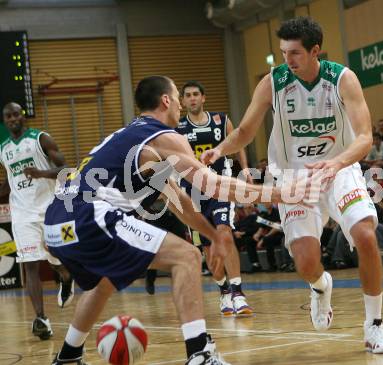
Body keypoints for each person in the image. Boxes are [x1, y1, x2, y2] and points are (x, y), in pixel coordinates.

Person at [45, 75, 298, 365]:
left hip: (56, 224)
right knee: (187, 256)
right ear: (166, 100)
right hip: (90, 215)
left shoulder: (135, 140)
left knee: (104, 282)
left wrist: (215, 237)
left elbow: (182, 204)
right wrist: (280, 194)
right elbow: (213, 186)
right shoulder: (164, 137)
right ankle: (200, 353)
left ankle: (68, 357)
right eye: (177, 97)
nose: (179, 104)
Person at [201, 16, 383, 353]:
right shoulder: (273, 82)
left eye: (294, 53)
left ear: (314, 50)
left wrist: (336, 162)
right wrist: (220, 149)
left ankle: (374, 326)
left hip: (339, 168)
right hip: (292, 178)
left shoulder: (342, 79)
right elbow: (245, 131)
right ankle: (321, 287)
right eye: (283, 52)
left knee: (365, 234)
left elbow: (365, 137)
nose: (287, 60)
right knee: (306, 263)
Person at [176, 80, 253, 316]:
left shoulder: (220, 120)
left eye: (196, 94)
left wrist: (245, 168)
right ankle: (224, 291)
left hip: (220, 185)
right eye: (187, 95)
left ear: (203, 97)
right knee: (208, 250)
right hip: (192, 192)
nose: (192, 98)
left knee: (225, 232)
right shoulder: (177, 127)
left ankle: (238, 293)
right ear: (182, 101)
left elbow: (237, 141)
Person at [0, 102, 74, 340]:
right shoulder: (3, 149)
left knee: (56, 256)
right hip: (22, 212)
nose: (12, 119)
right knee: (30, 263)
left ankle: (65, 276)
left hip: (50, 208)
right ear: (5, 121)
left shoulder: (41, 139)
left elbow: (65, 169)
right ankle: (41, 318)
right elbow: (10, 180)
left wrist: (41, 173)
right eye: (8, 116)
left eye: (15, 114)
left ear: (23, 116)